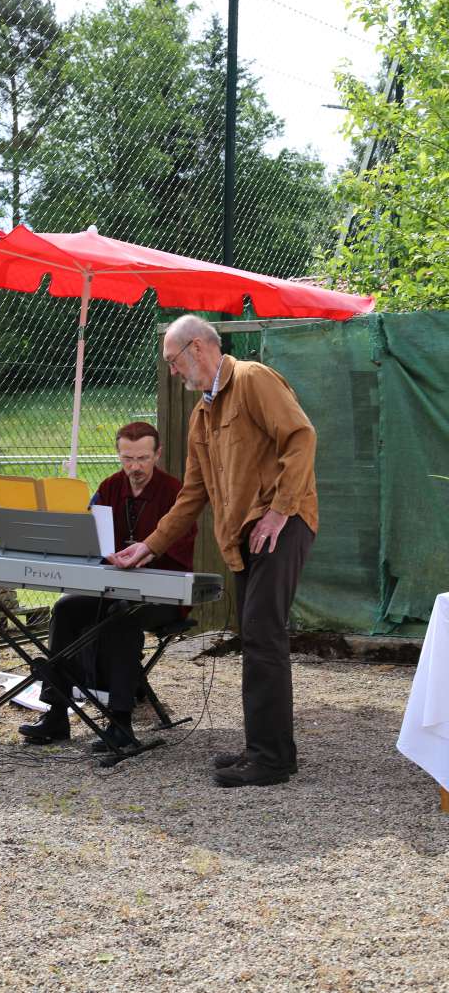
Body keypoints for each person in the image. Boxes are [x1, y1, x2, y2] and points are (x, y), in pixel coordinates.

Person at [109, 315, 318, 788]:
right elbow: (193, 495)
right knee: (256, 637)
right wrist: (148, 545)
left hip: (281, 523)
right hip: (247, 534)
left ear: (198, 348)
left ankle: (271, 760)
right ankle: (264, 747)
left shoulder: (253, 379)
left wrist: (280, 511)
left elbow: (301, 437)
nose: (173, 372)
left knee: (264, 635)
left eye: (173, 362)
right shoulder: (201, 414)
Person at [18, 421, 197, 751]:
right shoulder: (110, 486)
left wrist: (141, 556)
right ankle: (56, 712)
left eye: (142, 458)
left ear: (157, 454)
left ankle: (121, 723)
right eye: (127, 458)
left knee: (122, 616)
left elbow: (179, 551)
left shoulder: (176, 492)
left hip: (163, 594)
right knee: (66, 609)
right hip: (112, 588)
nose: (134, 467)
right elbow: (89, 535)